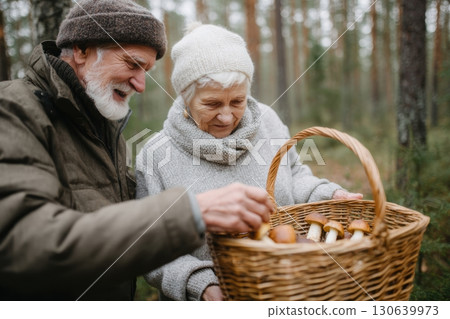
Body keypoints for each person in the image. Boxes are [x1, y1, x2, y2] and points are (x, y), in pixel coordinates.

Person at [0, 1, 273, 301]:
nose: (141, 84)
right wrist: (191, 213)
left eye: (146, 70)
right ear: (81, 50)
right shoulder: (13, 110)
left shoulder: (102, 125)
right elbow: (24, 245)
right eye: (132, 64)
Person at [136, 23, 363, 301]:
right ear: (185, 96)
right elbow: (150, 246)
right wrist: (200, 284)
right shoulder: (156, 154)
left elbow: (295, 175)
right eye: (212, 104)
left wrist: (329, 194)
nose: (227, 117)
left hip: (291, 290)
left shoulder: (267, 120)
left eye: (237, 101)